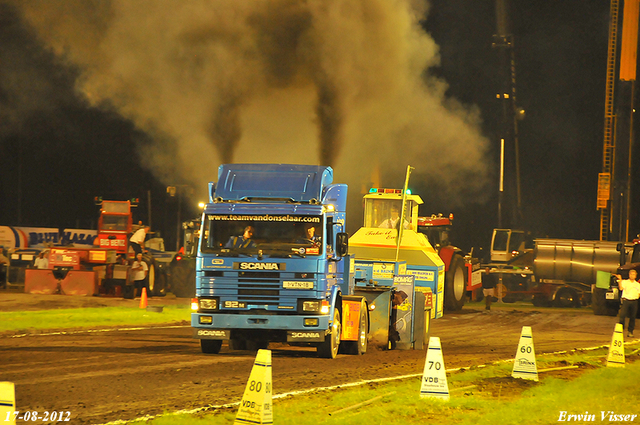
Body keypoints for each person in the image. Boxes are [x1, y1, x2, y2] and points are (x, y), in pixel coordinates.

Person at [615, 269, 640, 338]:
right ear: (629, 275)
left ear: (635, 276)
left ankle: (630, 331)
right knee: (622, 316)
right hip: (626, 301)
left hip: (634, 301)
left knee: (633, 317)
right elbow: (620, 288)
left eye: (634, 274)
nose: (632, 276)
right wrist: (620, 280)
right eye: (631, 274)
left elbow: (639, 293)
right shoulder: (625, 282)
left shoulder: (637, 284)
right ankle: (620, 331)